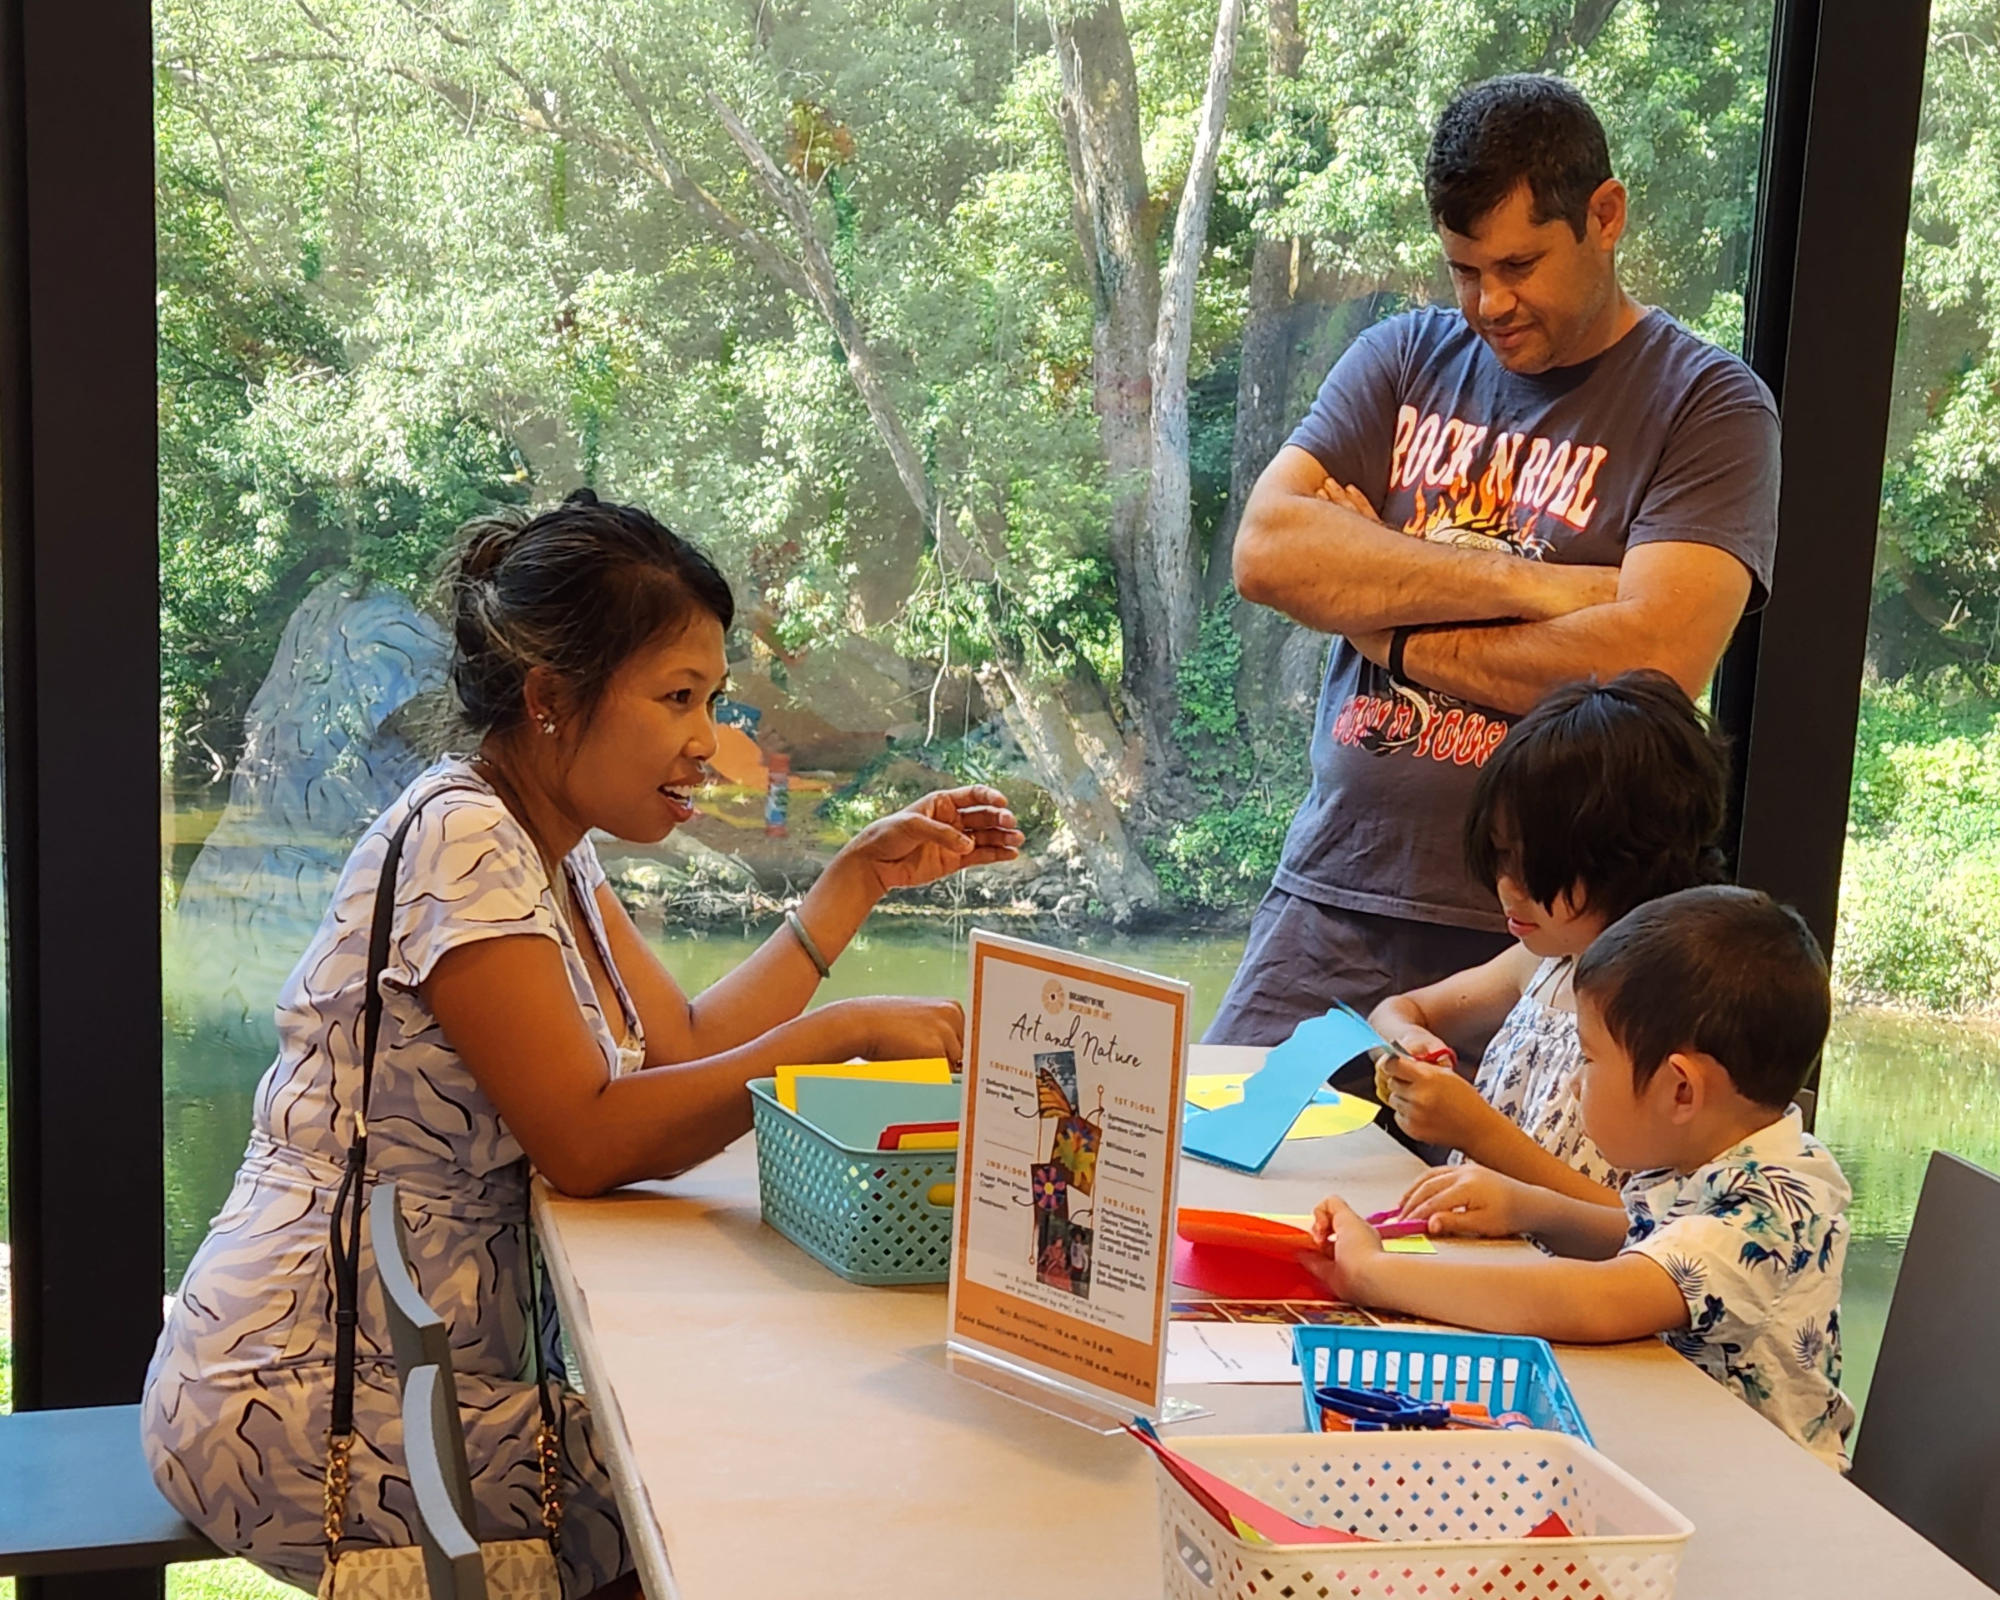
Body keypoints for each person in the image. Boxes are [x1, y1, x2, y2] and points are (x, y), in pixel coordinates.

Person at [140, 490, 1025, 1597]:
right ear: (552, 697)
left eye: (711, 697)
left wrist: (854, 882)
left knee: (730, 1436)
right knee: (717, 1476)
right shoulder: (464, 838)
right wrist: (835, 1037)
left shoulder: (545, 844)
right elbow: (586, 1139)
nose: (708, 740)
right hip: (299, 1401)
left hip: (394, 1374)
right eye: (677, 697)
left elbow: (683, 1043)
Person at [1210, 73, 1779, 1053]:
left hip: (1543, 938)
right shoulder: (1401, 359)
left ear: (1604, 216)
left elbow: (1647, 665)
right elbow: (1265, 553)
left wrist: (1374, 617)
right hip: (1331, 896)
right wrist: (1542, 588)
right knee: (1208, 1178)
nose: (1487, 303)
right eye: (1462, 269)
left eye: (1518, 264)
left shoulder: (1708, 407)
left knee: (1457, 1209)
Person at [1309, 886, 1855, 1470]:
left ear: (1682, 1090)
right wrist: (1532, 1209)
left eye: (1589, 1063)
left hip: (1766, 1489)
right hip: (1681, 1442)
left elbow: (1597, 1300)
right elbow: (1643, 1238)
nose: (1574, 1085)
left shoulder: (1768, 1208)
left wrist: (1374, 1274)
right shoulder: (1720, 1157)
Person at [1369, 670, 1730, 1186]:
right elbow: (1398, 1010)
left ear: (1628, 856)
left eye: (1539, 867)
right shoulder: (1546, 963)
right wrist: (1407, 1046)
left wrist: (1477, 1133)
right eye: (1499, 856)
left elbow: (1646, 1236)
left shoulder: (1677, 1010)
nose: (1509, 888)